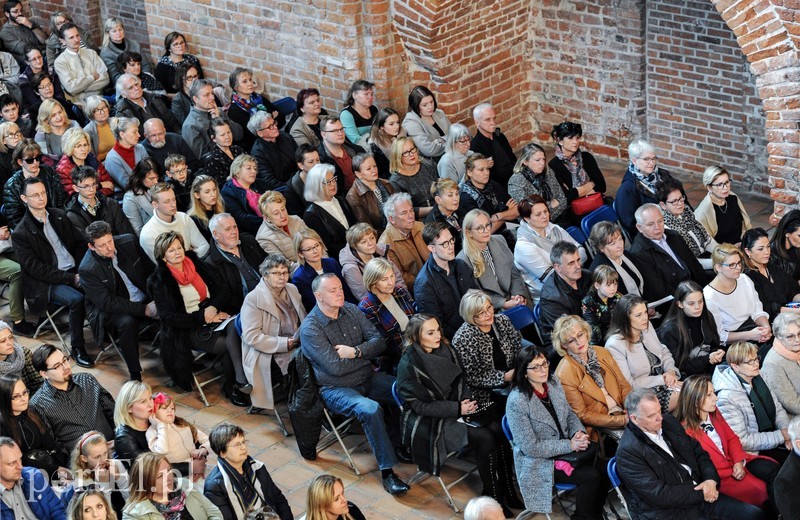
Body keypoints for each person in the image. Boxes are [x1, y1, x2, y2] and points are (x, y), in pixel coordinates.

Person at [299, 274, 411, 495]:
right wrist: (364, 357)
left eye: (340, 288)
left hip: (368, 377)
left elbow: (379, 342)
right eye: (332, 290)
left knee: (405, 390)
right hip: (336, 388)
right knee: (370, 409)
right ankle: (388, 473)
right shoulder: (311, 328)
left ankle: (403, 444)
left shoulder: (350, 309)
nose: (339, 293)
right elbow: (335, 368)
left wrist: (355, 352)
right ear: (318, 296)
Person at [397, 314, 519, 512]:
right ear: (417, 337)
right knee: (485, 437)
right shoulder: (409, 365)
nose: (437, 335)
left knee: (499, 429)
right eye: (430, 332)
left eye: (437, 329)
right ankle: (493, 495)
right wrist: (457, 408)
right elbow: (420, 407)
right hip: (432, 422)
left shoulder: (446, 348)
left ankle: (508, 489)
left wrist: (467, 402)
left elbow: (462, 379)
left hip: (459, 406)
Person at [616, 387, 766, 520]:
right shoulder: (628, 452)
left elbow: (699, 453)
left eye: (660, 411)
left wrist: (710, 480)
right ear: (634, 419)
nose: (659, 417)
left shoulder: (668, 422)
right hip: (671, 512)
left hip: (701, 494)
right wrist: (703, 493)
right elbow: (659, 495)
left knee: (754, 514)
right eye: (651, 416)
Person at [506, 345, 607, 519]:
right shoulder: (517, 401)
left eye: (544, 364)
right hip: (539, 461)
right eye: (535, 367)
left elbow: (568, 413)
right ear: (524, 372)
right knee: (591, 476)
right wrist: (570, 444)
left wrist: (578, 432)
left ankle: (594, 514)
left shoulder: (552, 382)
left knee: (604, 469)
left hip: (566, 449)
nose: (543, 370)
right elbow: (531, 447)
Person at [147, 232, 245, 404]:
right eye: (171, 250)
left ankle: (241, 382)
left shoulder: (196, 264)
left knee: (239, 331)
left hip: (214, 314)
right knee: (231, 345)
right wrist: (202, 317)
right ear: (163, 257)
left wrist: (212, 308)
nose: (177, 252)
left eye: (179, 247)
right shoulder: (159, 281)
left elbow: (222, 290)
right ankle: (234, 386)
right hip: (189, 328)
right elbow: (169, 317)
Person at [12, 177, 92, 365]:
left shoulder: (59, 215)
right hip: (47, 282)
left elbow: (80, 244)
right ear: (24, 199)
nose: (41, 198)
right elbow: (37, 269)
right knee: (77, 299)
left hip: (74, 269)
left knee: (102, 284)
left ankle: (108, 330)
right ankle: (77, 347)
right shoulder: (21, 233)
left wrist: (82, 269)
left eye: (43, 193)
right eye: (35, 195)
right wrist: (71, 278)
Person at [676, 374, 778, 511]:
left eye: (713, 393)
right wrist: (734, 468)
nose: (716, 398)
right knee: (761, 490)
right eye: (709, 395)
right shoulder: (685, 432)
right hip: (722, 477)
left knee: (774, 470)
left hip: (737, 461)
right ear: (695, 401)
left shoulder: (713, 412)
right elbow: (703, 465)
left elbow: (731, 438)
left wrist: (738, 461)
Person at [79, 221, 156, 381]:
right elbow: (107, 302)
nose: (109, 248)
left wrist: (158, 298)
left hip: (143, 295)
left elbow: (151, 271)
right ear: (91, 247)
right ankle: (135, 373)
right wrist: (144, 310)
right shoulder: (87, 268)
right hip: (112, 309)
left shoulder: (129, 241)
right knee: (127, 322)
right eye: (102, 245)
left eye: (110, 241)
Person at [240, 255, 305, 412]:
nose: (282, 277)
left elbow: (304, 317)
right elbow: (252, 337)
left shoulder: (292, 289)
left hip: (298, 341)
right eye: (276, 273)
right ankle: (304, 409)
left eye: (284, 272)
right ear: (265, 275)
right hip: (269, 351)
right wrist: (284, 344)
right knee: (305, 368)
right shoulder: (253, 299)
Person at [30, 344, 115, 461]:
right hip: (82, 462)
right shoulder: (37, 404)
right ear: (44, 374)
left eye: (64, 360)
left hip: (112, 446)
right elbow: (53, 442)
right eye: (57, 366)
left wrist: (118, 437)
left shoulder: (87, 379)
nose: (65, 367)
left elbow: (110, 410)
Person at [553, 315, 631, 441]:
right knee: (638, 441)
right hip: (601, 426)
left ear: (586, 333)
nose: (579, 342)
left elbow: (624, 384)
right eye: (571, 340)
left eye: (580, 335)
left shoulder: (602, 352)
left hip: (623, 410)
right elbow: (583, 415)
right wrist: (620, 420)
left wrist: (630, 408)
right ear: (564, 346)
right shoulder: (564, 374)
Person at [712, 341, 792, 464]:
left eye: (756, 359)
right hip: (753, 451)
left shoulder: (759, 375)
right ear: (735, 366)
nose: (756, 364)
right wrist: (782, 436)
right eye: (750, 362)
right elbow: (742, 440)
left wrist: (786, 432)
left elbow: (778, 409)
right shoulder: (727, 397)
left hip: (773, 435)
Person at [605, 293, 682, 412]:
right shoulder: (615, 345)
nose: (645, 318)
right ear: (625, 318)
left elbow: (663, 351)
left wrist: (670, 371)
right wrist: (663, 379)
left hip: (665, 383)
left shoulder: (646, 326)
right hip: (640, 395)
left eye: (645, 312)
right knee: (687, 398)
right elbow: (628, 385)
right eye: (638, 315)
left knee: (698, 390)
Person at [630, 203, 708, 314]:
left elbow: (694, 265)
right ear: (639, 228)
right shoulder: (639, 253)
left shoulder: (674, 236)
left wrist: (705, 291)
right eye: (651, 224)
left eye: (660, 221)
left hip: (695, 288)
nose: (657, 227)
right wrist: (689, 299)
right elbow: (659, 289)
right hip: (677, 301)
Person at [203, 423, 292, 520]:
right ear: (223, 453)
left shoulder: (256, 467)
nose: (243, 447)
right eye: (237, 445)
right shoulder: (215, 486)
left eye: (243, 442)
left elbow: (279, 499)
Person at [452, 289, 521, 408]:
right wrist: (504, 377)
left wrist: (519, 369)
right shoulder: (462, 339)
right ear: (471, 316)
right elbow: (472, 377)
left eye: (489, 307)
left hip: (515, 377)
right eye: (481, 313)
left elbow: (517, 347)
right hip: (487, 392)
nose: (489, 314)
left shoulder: (502, 321)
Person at [515, 194, 585, 302]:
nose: (544, 216)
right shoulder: (524, 246)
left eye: (545, 211)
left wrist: (571, 265)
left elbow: (581, 251)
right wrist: (575, 264)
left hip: (574, 283)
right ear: (527, 219)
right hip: (550, 297)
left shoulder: (555, 228)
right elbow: (552, 277)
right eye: (538, 214)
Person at [459, 208, 529, 311]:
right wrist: (503, 303)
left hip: (515, 297)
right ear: (469, 233)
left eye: (487, 225)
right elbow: (476, 293)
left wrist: (518, 295)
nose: (486, 230)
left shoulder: (499, 239)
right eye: (480, 228)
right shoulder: (462, 260)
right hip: (491, 308)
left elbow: (513, 272)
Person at [415, 221, 477, 338]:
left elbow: (476, 297)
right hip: (455, 338)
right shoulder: (424, 283)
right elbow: (436, 325)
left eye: (451, 240)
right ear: (431, 248)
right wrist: (466, 334)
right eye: (444, 244)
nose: (451, 246)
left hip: (476, 325)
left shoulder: (461, 265)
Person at [704, 243, 772, 348]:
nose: (738, 268)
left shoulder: (744, 279)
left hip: (754, 330)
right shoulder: (709, 296)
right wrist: (750, 335)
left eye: (739, 263)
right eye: (732, 265)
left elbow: (757, 311)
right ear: (718, 267)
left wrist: (766, 328)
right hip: (735, 343)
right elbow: (720, 336)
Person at [123, 452, 222, 519]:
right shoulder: (134, 514)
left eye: (169, 470)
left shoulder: (184, 484)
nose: (169, 478)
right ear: (145, 483)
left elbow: (213, 512)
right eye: (160, 476)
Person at [358, 258, 416, 371]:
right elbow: (383, 344)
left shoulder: (399, 291)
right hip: (398, 358)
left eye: (392, 276)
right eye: (384, 279)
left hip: (419, 344)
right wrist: (413, 346)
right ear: (373, 282)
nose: (391, 282)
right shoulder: (367, 308)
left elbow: (416, 317)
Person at [657, 280, 725, 377]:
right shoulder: (670, 329)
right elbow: (679, 365)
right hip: (688, 376)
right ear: (680, 304)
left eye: (700, 301)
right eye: (691, 303)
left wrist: (717, 353)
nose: (698, 307)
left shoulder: (707, 316)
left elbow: (714, 343)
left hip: (709, 365)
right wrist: (708, 359)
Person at [616, 139, 681, 237]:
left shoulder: (662, 175)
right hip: (656, 234)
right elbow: (630, 224)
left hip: (676, 221)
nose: (651, 163)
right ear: (634, 160)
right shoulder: (627, 189)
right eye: (646, 159)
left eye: (653, 158)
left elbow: (680, 196)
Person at [0, 373, 62, 475]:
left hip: (48, 464)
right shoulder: (2, 426)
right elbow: (20, 461)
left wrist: (60, 466)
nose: (24, 398)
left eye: (25, 392)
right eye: (16, 396)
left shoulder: (32, 411)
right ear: (4, 399)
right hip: (25, 474)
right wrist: (54, 470)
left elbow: (50, 443)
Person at [538, 241, 593, 353]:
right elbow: (567, 334)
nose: (578, 266)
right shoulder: (551, 298)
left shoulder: (587, 276)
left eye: (578, 260)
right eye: (571, 263)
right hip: (566, 345)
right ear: (557, 267)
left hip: (590, 331)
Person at [3, 138, 66, 229]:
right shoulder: (12, 186)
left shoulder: (49, 172)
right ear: (20, 162)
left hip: (56, 222)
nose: (35, 163)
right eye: (29, 160)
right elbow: (15, 219)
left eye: (38, 158)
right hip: (31, 231)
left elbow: (61, 201)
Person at [139, 182, 210, 262]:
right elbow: (164, 266)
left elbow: (204, 246)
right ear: (155, 205)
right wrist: (191, 252)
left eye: (174, 199)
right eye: (167, 202)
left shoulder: (183, 217)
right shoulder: (148, 234)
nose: (173, 204)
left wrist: (181, 258)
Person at [146, 392, 210, 480]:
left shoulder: (181, 423)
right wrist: (161, 425)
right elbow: (162, 450)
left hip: (199, 467)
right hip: (178, 477)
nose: (170, 411)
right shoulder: (152, 432)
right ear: (153, 413)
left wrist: (203, 449)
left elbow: (208, 440)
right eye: (164, 408)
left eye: (172, 408)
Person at [65, 430, 128, 518]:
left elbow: (132, 501)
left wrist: (119, 478)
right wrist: (104, 485)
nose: (103, 460)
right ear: (84, 458)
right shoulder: (81, 481)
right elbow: (103, 515)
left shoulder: (115, 464)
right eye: (97, 457)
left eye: (105, 453)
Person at [0, 436, 66, 520]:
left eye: (20, 460)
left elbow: (57, 511)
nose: (20, 466)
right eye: (12, 463)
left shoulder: (35, 477)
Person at [548, 121, 606, 214]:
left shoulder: (586, 157)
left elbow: (602, 186)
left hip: (596, 202)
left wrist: (577, 192)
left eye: (577, 138)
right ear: (560, 141)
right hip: (575, 211)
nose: (575, 142)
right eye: (571, 138)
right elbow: (566, 198)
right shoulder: (554, 165)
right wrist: (591, 184)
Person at [658, 176, 717, 268]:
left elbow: (707, 240)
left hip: (706, 257)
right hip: (694, 268)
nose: (680, 204)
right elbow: (689, 261)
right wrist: (718, 263)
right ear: (663, 205)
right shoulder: (667, 230)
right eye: (674, 201)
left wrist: (722, 252)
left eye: (681, 198)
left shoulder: (686, 213)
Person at [291, 228, 354, 312]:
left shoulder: (332, 262)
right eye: (309, 249)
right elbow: (314, 305)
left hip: (347, 308)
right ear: (301, 254)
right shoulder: (299, 278)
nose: (315, 251)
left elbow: (345, 291)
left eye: (317, 245)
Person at [743, 227, 800, 320]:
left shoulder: (771, 266)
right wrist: (796, 312)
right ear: (748, 251)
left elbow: (791, 288)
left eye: (768, 246)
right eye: (760, 249)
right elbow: (766, 308)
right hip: (770, 322)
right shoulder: (747, 276)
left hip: (788, 314)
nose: (767, 252)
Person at [339, 223, 404, 300]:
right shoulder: (350, 268)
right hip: (378, 306)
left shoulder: (381, 252)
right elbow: (364, 296)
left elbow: (398, 279)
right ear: (355, 246)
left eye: (372, 238)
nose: (370, 243)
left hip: (398, 297)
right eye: (364, 242)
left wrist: (405, 298)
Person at [302, 163, 356, 256]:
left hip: (358, 248)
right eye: (328, 182)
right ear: (316, 185)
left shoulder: (341, 200)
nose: (333, 184)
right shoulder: (311, 214)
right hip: (339, 256)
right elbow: (326, 245)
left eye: (333, 179)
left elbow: (355, 224)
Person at [378, 192, 430, 289]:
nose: (410, 216)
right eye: (404, 213)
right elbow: (400, 276)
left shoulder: (420, 226)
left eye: (411, 211)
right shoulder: (385, 244)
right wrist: (426, 282)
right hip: (418, 287)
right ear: (391, 219)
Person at [508, 143, 568, 225]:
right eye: (537, 160)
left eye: (543, 159)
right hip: (535, 228)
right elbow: (527, 214)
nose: (542, 163)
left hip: (560, 218)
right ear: (525, 161)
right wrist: (551, 204)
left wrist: (544, 211)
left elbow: (562, 199)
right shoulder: (516, 182)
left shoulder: (547, 172)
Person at [459, 154, 518, 238]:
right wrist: (507, 212)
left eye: (487, 169)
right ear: (469, 172)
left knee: (522, 228)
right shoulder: (466, 197)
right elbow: (484, 230)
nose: (486, 173)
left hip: (507, 226)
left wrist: (499, 216)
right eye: (481, 170)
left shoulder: (493, 185)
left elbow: (516, 210)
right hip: (487, 238)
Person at [182, 79, 243, 159]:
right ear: (195, 99)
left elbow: (239, 135)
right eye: (207, 95)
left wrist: (219, 118)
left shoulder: (219, 111)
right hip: (217, 164)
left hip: (236, 155)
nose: (212, 97)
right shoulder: (190, 126)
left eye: (212, 93)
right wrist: (217, 123)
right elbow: (204, 157)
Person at [66, 165, 133, 236]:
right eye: (86, 186)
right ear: (76, 188)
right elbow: (84, 243)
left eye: (93, 184)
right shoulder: (73, 215)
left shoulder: (111, 203)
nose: (91, 189)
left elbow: (126, 233)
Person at [53, 23, 109, 107]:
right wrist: (92, 78)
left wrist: (82, 89)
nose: (76, 39)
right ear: (63, 41)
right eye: (71, 37)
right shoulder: (60, 62)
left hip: (101, 98)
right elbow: (71, 88)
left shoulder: (91, 53)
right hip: (81, 104)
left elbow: (105, 78)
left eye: (77, 35)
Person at [226, 67, 283, 151]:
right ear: (236, 87)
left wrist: (268, 125)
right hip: (257, 148)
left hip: (274, 140)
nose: (250, 83)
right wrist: (271, 118)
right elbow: (251, 135)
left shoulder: (259, 98)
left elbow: (281, 118)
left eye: (250, 79)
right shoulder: (235, 111)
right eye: (245, 81)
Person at [696, 165, 752, 246]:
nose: (725, 188)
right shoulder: (704, 211)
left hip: (740, 245)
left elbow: (745, 226)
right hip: (721, 253)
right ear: (709, 188)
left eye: (727, 182)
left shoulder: (733, 198)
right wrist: (731, 250)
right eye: (719, 185)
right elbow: (707, 243)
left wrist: (745, 242)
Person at [255, 190, 306, 273]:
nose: (283, 215)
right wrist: (311, 267)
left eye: (283, 209)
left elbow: (317, 244)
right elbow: (285, 265)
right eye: (276, 213)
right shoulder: (263, 238)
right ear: (266, 218)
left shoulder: (296, 220)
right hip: (299, 273)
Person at [55, 126, 114, 197]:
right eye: (78, 146)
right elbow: (75, 196)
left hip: (104, 201)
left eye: (85, 145)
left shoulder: (92, 159)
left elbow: (110, 186)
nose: (83, 149)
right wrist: (99, 185)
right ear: (69, 147)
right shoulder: (63, 169)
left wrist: (89, 192)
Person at [761, 312, 800, 418]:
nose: (797, 340)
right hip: (795, 419)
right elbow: (793, 404)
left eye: (799, 334)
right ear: (778, 337)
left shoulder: (796, 348)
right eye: (790, 336)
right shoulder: (773, 364)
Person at [345, 152, 395, 235]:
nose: (374, 170)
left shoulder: (386, 183)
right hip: (380, 235)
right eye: (368, 169)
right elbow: (367, 227)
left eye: (375, 166)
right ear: (358, 174)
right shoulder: (353, 196)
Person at [248, 111, 297, 192]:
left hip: (298, 177)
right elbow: (269, 181)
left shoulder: (286, 137)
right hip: (284, 188)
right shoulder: (258, 153)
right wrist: (292, 188)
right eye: (270, 126)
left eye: (274, 123)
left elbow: (300, 157)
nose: (275, 127)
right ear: (260, 133)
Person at [112, 380, 156, 471]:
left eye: (150, 398)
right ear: (129, 408)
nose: (150, 404)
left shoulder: (155, 419)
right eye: (143, 401)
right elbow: (152, 469)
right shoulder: (124, 438)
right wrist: (190, 466)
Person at [387, 136, 436, 218]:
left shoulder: (428, 165)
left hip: (440, 208)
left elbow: (440, 187)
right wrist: (434, 209)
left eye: (412, 149)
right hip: (419, 219)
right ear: (398, 157)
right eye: (406, 152)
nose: (411, 154)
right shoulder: (395, 181)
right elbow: (406, 210)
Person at [469, 103, 516, 187]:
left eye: (494, 118)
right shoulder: (475, 146)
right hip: (498, 185)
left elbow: (512, 157)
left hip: (513, 177)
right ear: (477, 122)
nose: (493, 123)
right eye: (487, 120)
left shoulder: (500, 136)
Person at [113, 73, 177, 135]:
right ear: (124, 95)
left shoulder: (155, 98)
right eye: (130, 88)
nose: (136, 88)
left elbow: (171, 122)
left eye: (136, 84)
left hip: (167, 137)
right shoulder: (122, 113)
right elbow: (130, 138)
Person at [401, 85, 450, 162]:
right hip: (432, 163)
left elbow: (454, 134)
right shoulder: (411, 122)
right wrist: (448, 140)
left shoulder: (439, 113)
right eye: (425, 105)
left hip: (450, 155)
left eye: (431, 102)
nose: (430, 107)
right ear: (416, 106)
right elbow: (429, 150)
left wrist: (440, 141)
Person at [317, 116, 364, 193]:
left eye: (341, 129)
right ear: (323, 134)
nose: (340, 133)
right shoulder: (320, 160)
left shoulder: (357, 150)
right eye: (335, 131)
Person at [99, 17, 152, 84]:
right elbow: (115, 77)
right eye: (114, 31)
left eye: (120, 29)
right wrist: (135, 83)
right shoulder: (106, 53)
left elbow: (145, 65)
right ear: (108, 33)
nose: (118, 33)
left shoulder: (135, 44)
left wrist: (145, 79)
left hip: (144, 79)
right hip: (124, 85)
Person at [221, 154, 263, 235]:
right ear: (237, 172)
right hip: (251, 232)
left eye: (255, 168)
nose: (253, 171)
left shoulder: (260, 183)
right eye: (248, 168)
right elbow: (242, 218)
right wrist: (269, 221)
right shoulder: (228, 192)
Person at [103, 117, 148, 193]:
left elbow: (150, 171)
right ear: (122, 134)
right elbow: (127, 184)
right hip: (132, 194)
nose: (139, 135)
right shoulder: (112, 158)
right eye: (134, 132)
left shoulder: (140, 148)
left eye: (138, 131)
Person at [581, 265, 623, 345]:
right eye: (608, 285)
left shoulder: (618, 297)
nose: (613, 288)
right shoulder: (588, 302)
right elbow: (592, 329)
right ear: (597, 285)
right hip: (603, 342)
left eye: (615, 284)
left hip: (621, 336)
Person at [200, 117, 245, 189]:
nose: (227, 137)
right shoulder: (212, 159)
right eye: (222, 135)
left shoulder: (237, 149)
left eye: (229, 132)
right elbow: (219, 186)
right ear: (214, 138)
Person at [424, 177, 467, 252]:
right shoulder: (433, 223)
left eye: (457, 194)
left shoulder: (460, 209)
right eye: (450, 195)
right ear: (438, 200)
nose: (455, 199)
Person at [0, 1, 46, 66]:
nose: (20, 13)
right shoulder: (5, 32)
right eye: (16, 11)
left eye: (21, 10)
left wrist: (30, 25)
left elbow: (45, 40)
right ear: (7, 14)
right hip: (27, 62)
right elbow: (25, 49)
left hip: (43, 54)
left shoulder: (29, 22)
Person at [34, 98, 79, 164]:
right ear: (46, 119)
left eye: (60, 112)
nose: (59, 117)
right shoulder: (41, 136)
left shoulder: (73, 125)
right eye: (53, 115)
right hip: (57, 170)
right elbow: (46, 161)